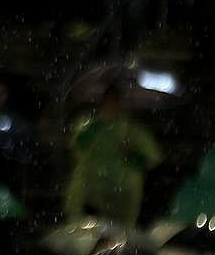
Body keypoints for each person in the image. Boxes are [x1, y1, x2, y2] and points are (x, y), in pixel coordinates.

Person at [63, 82, 162, 229]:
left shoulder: (132, 130)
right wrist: (98, 125)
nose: (111, 106)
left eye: (115, 102)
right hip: (88, 195)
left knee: (117, 238)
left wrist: (132, 153)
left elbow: (150, 160)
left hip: (121, 198)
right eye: (108, 101)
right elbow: (77, 144)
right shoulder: (88, 125)